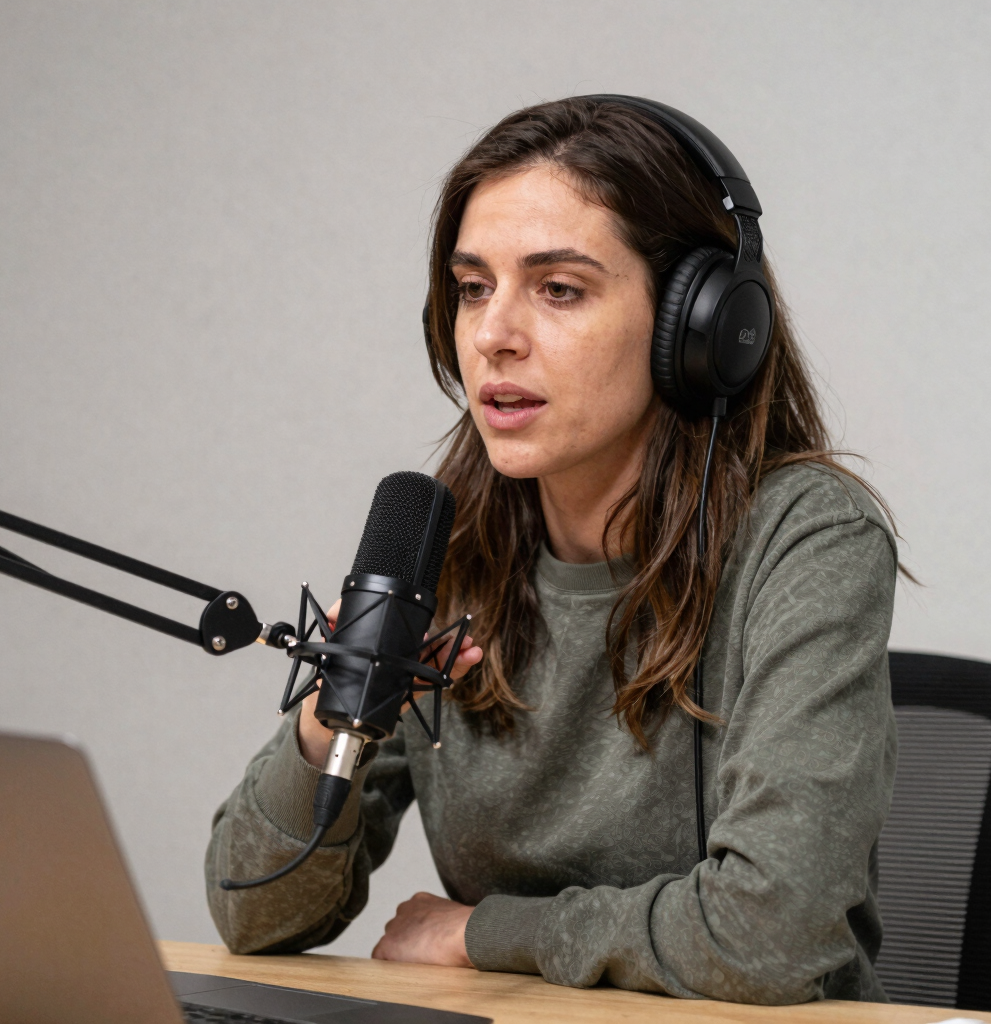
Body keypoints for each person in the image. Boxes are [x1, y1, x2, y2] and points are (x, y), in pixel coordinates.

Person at [206, 97, 900, 1005]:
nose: (494, 335)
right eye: (472, 287)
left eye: (559, 289)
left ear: (698, 326)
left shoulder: (806, 538)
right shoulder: (441, 543)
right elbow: (255, 914)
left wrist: (478, 934)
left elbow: (771, 931)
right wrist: (335, 710)